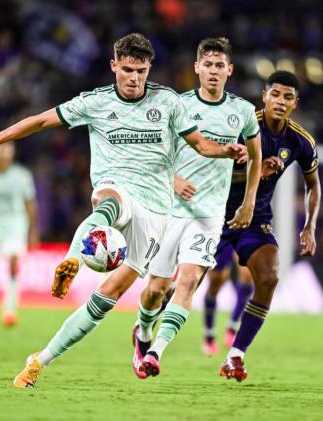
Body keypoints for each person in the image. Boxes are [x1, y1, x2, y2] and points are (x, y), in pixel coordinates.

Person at [0, 33, 247, 388]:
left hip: (156, 212)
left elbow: (199, 143)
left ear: (149, 68)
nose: (134, 78)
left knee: (108, 299)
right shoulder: (94, 103)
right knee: (109, 201)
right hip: (117, 188)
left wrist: (226, 151)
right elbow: (40, 120)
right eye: (127, 70)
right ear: (114, 66)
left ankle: (41, 357)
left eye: (140, 71)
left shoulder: (169, 102)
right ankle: (73, 261)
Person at [131, 37, 262, 379]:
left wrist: (248, 201)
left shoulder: (244, 112)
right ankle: (143, 333)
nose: (214, 71)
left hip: (209, 216)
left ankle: (156, 352)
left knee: (187, 282)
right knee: (156, 290)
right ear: (197, 68)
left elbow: (257, 159)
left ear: (229, 71)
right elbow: (154, 153)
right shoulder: (178, 106)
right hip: (169, 210)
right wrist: (174, 180)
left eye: (220, 65)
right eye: (208, 64)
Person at [218, 70, 321, 382]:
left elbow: (314, 186)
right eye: (275, 94)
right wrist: (256, 171)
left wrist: (309, 226)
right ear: (264, 96)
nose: (280, 101)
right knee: (184, 283)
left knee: (269, 276)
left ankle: (235, 355)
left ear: (295, 103)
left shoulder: (300, 141)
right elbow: (214, 171)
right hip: (214, 213)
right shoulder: (243, 125)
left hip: (256, 219)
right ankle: (146, 327)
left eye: (287, 97)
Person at [0, 142, 38, 327]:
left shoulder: (22, 175)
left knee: (13, 263)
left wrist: (33, 231)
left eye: (6, 151)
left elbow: (30, 203)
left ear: (12, 154)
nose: (2, 155)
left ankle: (10, 310)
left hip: (14, 222)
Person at [203, 250, 254, 356]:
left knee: (248, 274)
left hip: (242, 234)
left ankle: (232, 326)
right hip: (222, 236)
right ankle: (209, 335)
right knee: (215, 283)